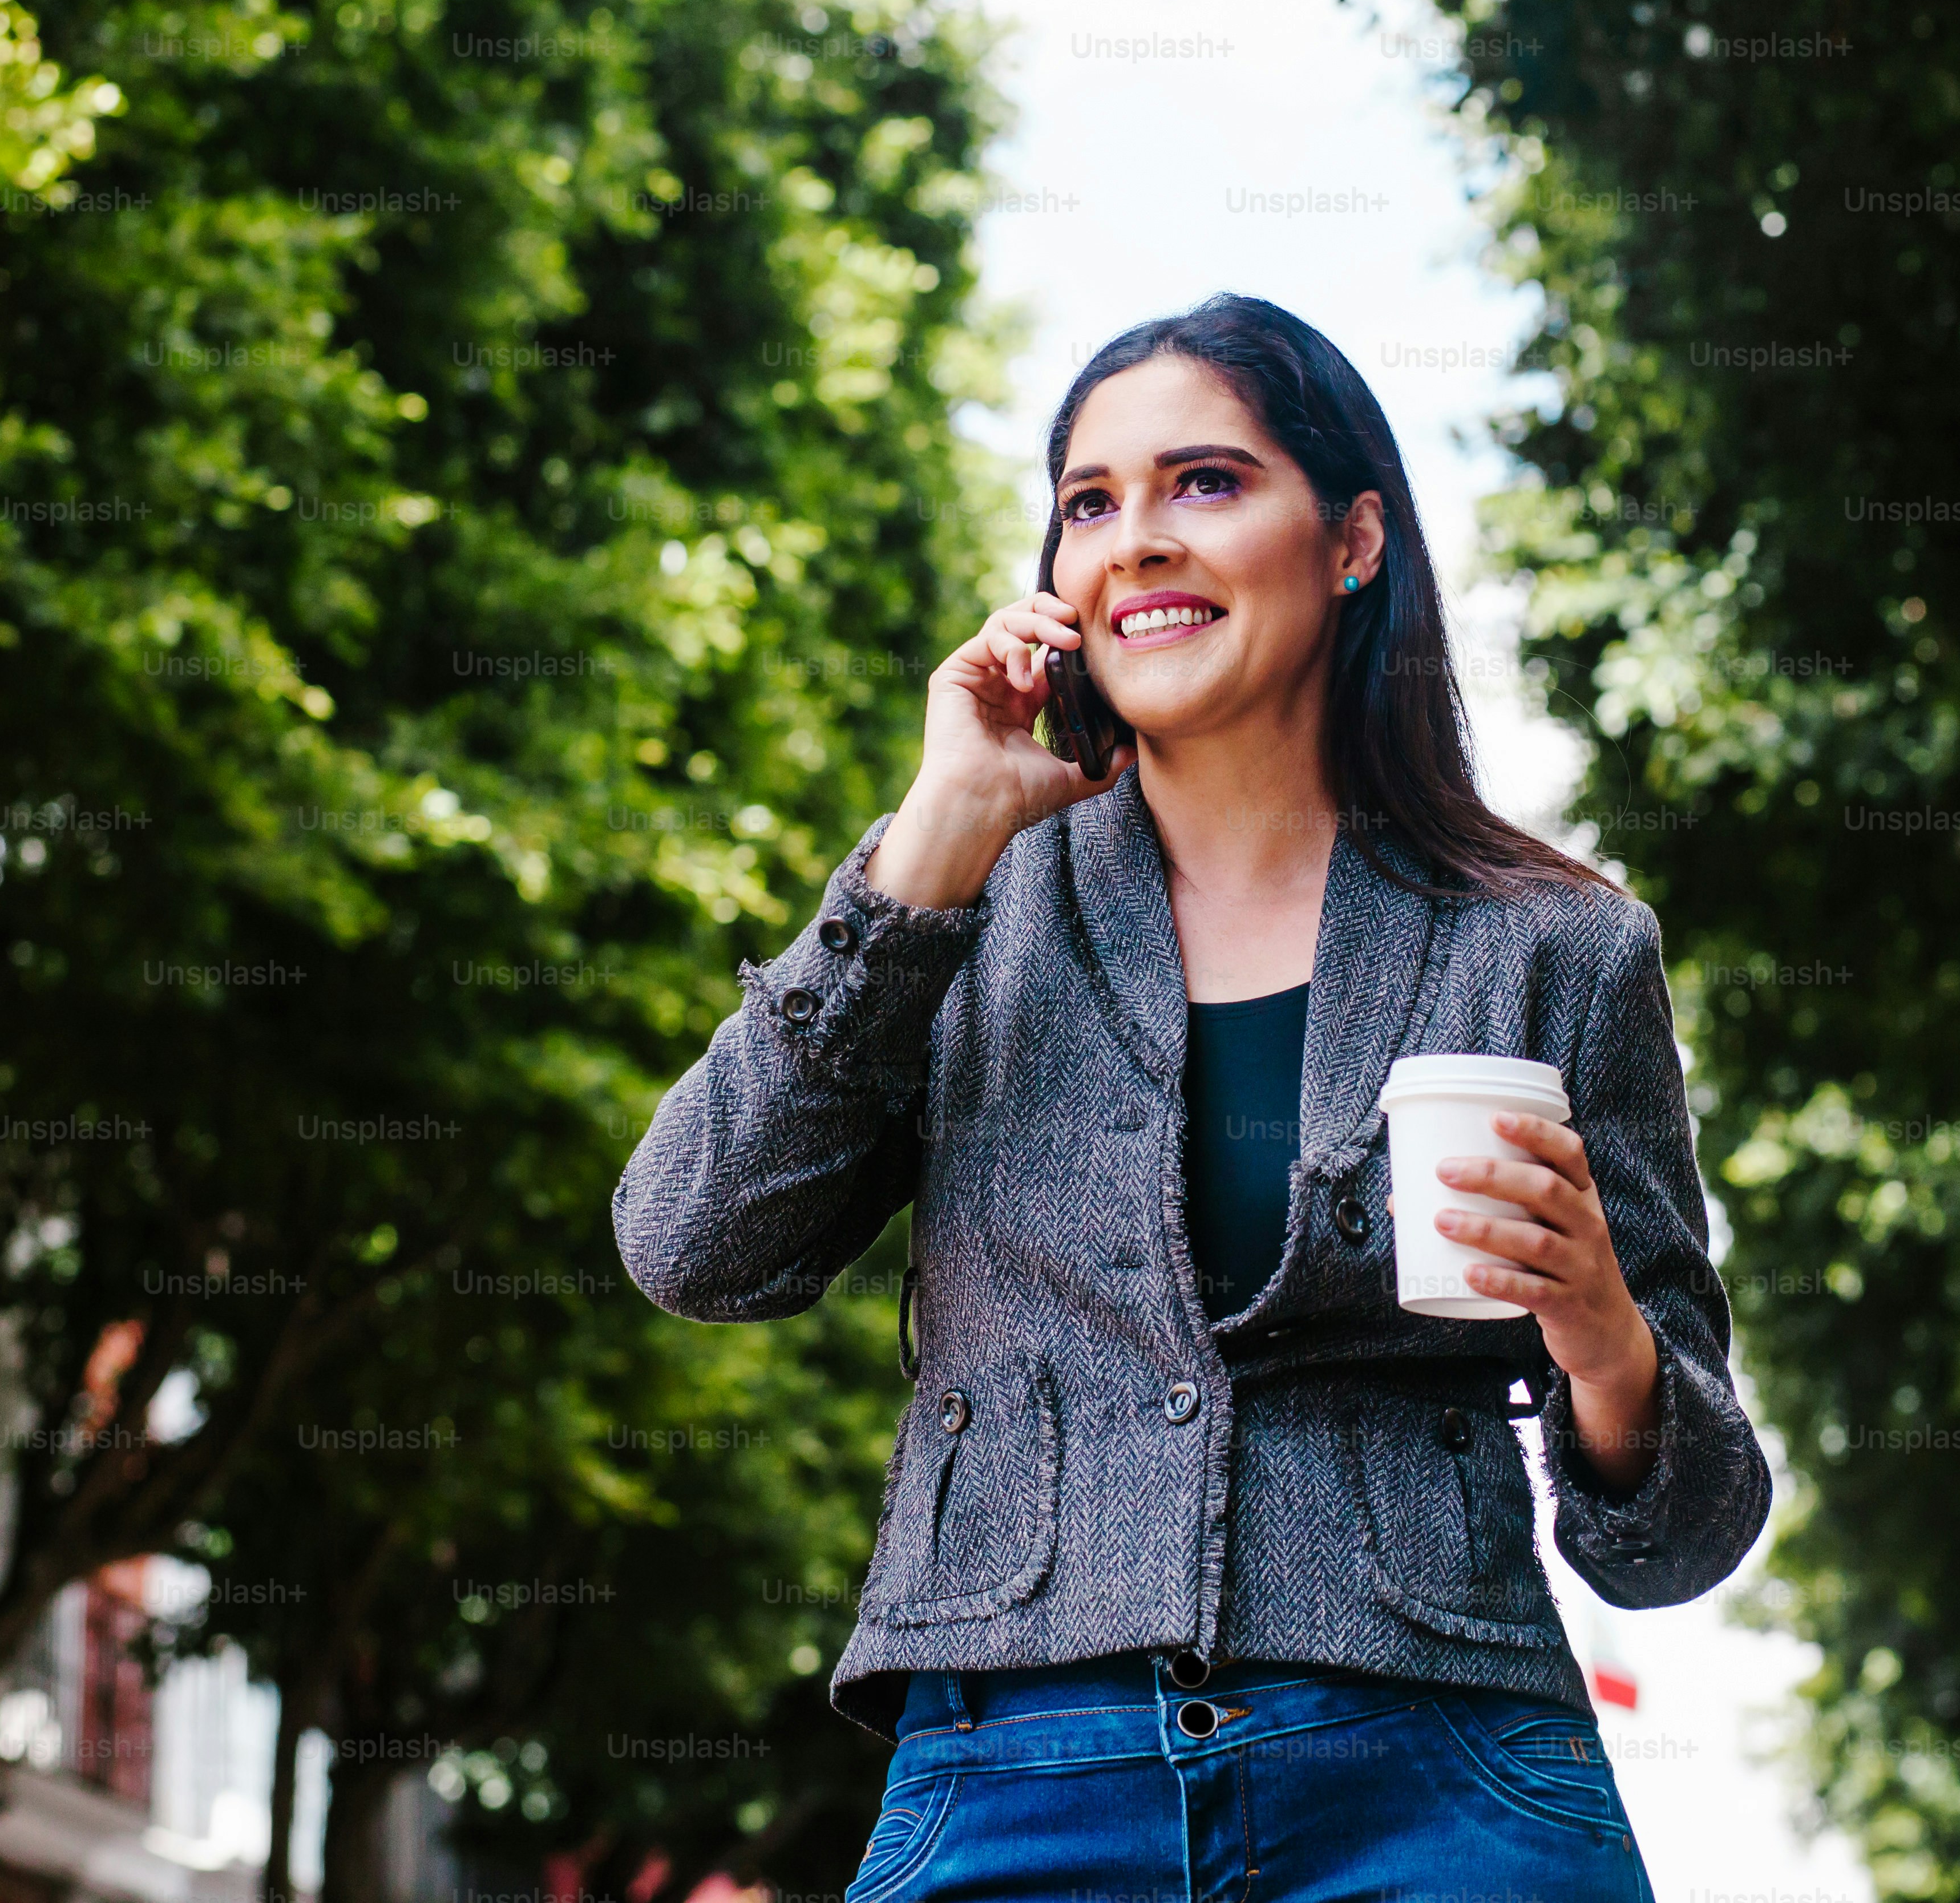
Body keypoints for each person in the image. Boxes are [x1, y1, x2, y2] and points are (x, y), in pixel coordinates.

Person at [616, 294, 1767, 1900]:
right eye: (1091, 503)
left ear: (1353, 540)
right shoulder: (959, 908)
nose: (1135, 541)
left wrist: (1602, 1336)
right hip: (1015, 1770)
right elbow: (694, 1243)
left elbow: (1682, 1537)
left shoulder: (1555, 948)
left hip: (1439, 1776)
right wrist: (929, 845)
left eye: (1205, 484)